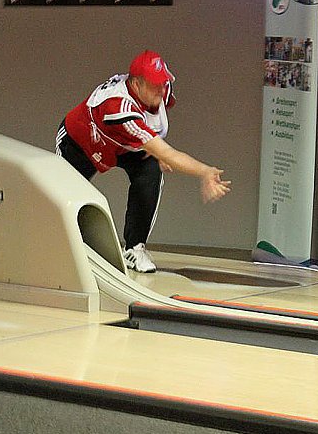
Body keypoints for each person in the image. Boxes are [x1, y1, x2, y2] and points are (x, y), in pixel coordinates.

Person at [56, 50, 231, 273]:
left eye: (164, 82)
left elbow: (158, 138)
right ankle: (62, 246)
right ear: (136, 85)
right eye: (155, 84)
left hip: (126, 144)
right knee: (66, 195)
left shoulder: (162, 91)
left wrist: (157, 153)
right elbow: (168, 153)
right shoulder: (119, 108)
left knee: (150, 172)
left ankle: (134, 248)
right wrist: (205, 171)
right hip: (83, 143)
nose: (162, 89)